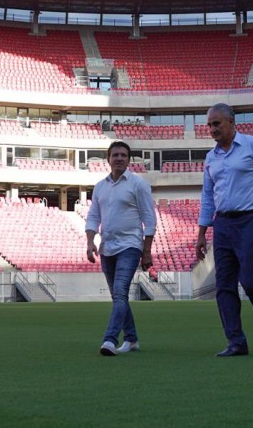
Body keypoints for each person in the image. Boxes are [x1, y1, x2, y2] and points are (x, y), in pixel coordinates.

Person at [195, 103, 253, 357]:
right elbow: (207, 196)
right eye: (210, 125)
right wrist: (202, 233)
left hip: (251, 220)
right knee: (223, 286)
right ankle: (236, 341)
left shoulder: (252, 145)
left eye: (217, 124)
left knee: (249, 281)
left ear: (231, 122)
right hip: (222, 224)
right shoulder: (211, 157)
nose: (212, 129)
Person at [85, 141, 157, 356]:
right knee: (119, 296)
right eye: (115, 154)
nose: (119, 158)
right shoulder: (100, 187)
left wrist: (146, 251)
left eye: (123, 155)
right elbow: (93, 217)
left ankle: (109, 339)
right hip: (107, 247)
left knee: (119, 293)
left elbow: (149, 219)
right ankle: (132, 339)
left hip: (130, 246)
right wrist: (90, 242)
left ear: (128, 159)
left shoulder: (138, 184)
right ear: (108, 158)